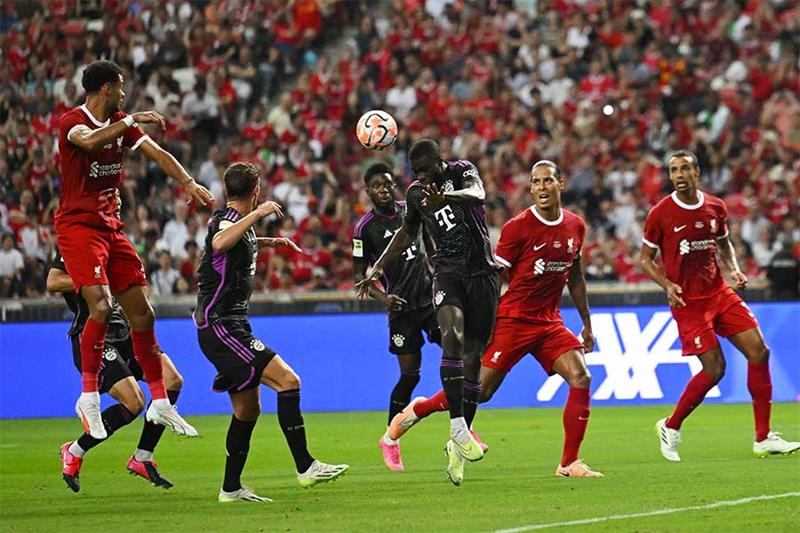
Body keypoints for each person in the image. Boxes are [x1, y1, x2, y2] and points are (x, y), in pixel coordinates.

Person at [388, 160, 603, 478]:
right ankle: (419, 408)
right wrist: (484, 322)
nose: (542, 187)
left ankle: (569, 463)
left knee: (580, 377)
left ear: (561, 184)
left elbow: (576, 278)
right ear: (530, 189)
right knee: (480, 392)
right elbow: (493, 274)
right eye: (536, 182)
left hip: (548, 321)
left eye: (547, 181)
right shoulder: (518, 227)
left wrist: (586, 323)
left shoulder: (576, 226)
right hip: (513, 318)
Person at [55, 60, 212, 439]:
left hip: (112, 228)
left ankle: (160, 401)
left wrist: (187, 183)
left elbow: (157, 153)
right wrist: (129, 121)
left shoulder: (122, 121)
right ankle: (88, 397)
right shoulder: (72, 121)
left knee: (143, 313)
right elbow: (90, 142)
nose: (124, 94)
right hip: (78, 227)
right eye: (121, 87)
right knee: (102, 307)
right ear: (106, 88)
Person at [194, 162, 348, 503]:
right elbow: (220, 243)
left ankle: (230, 488)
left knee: (247, 411)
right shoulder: (226, 221)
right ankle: (306, 466)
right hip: (221, 325)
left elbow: (233, 242)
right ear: (256, 191)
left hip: (227, 324)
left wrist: (269, 241)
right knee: (289, 381)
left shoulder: (238, 225)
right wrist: (260, 214)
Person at [640, 150, 800, 461]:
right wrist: (667, 284)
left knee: (759, 351)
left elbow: (723, 243)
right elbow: (644, 259)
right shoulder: (661, 213)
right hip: (688, 302)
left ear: (697, 172)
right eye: (674, 170)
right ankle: (671, 425)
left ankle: (763, 437)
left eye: (685, 168)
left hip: (718, 292)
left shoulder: (715, 206)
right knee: (715, 370)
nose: (679, 175)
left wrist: (734, 269)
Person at [356, 139, 499, 486]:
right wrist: (376, 270)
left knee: (473, 358)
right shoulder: (417, 194)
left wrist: (447, 197)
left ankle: (456, 444)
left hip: (483, 274)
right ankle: (458, 426)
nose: (424, 179)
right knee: (451, 338)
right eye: (417, 174)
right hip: (447, 274)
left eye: (428, 171)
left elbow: (478, 193)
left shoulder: (462, 172)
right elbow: (407, 232)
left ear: (441, 162)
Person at [48, 249, 183, 492]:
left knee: (172, 380)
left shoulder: (115, 242)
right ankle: (75, 450)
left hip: (127, 332)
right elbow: (53, 281)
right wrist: (93, 281)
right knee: (134, 402)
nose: (115, 209)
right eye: (112, 207)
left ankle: (142, 456)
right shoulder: (76, 242)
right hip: (95, 336)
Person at [351, 162, 441, 472]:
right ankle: (391, 439)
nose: (385, 190)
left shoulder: (409, 210)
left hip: (429, 300)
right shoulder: (365, 229)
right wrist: (384, 298)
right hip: (401, 310)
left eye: (388, 184)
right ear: (368, 192)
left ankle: (463, 425)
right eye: (377, 186)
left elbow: (429, 241)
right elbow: (358, 277)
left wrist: (438, 268)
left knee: (457, 353)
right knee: (410, 375)